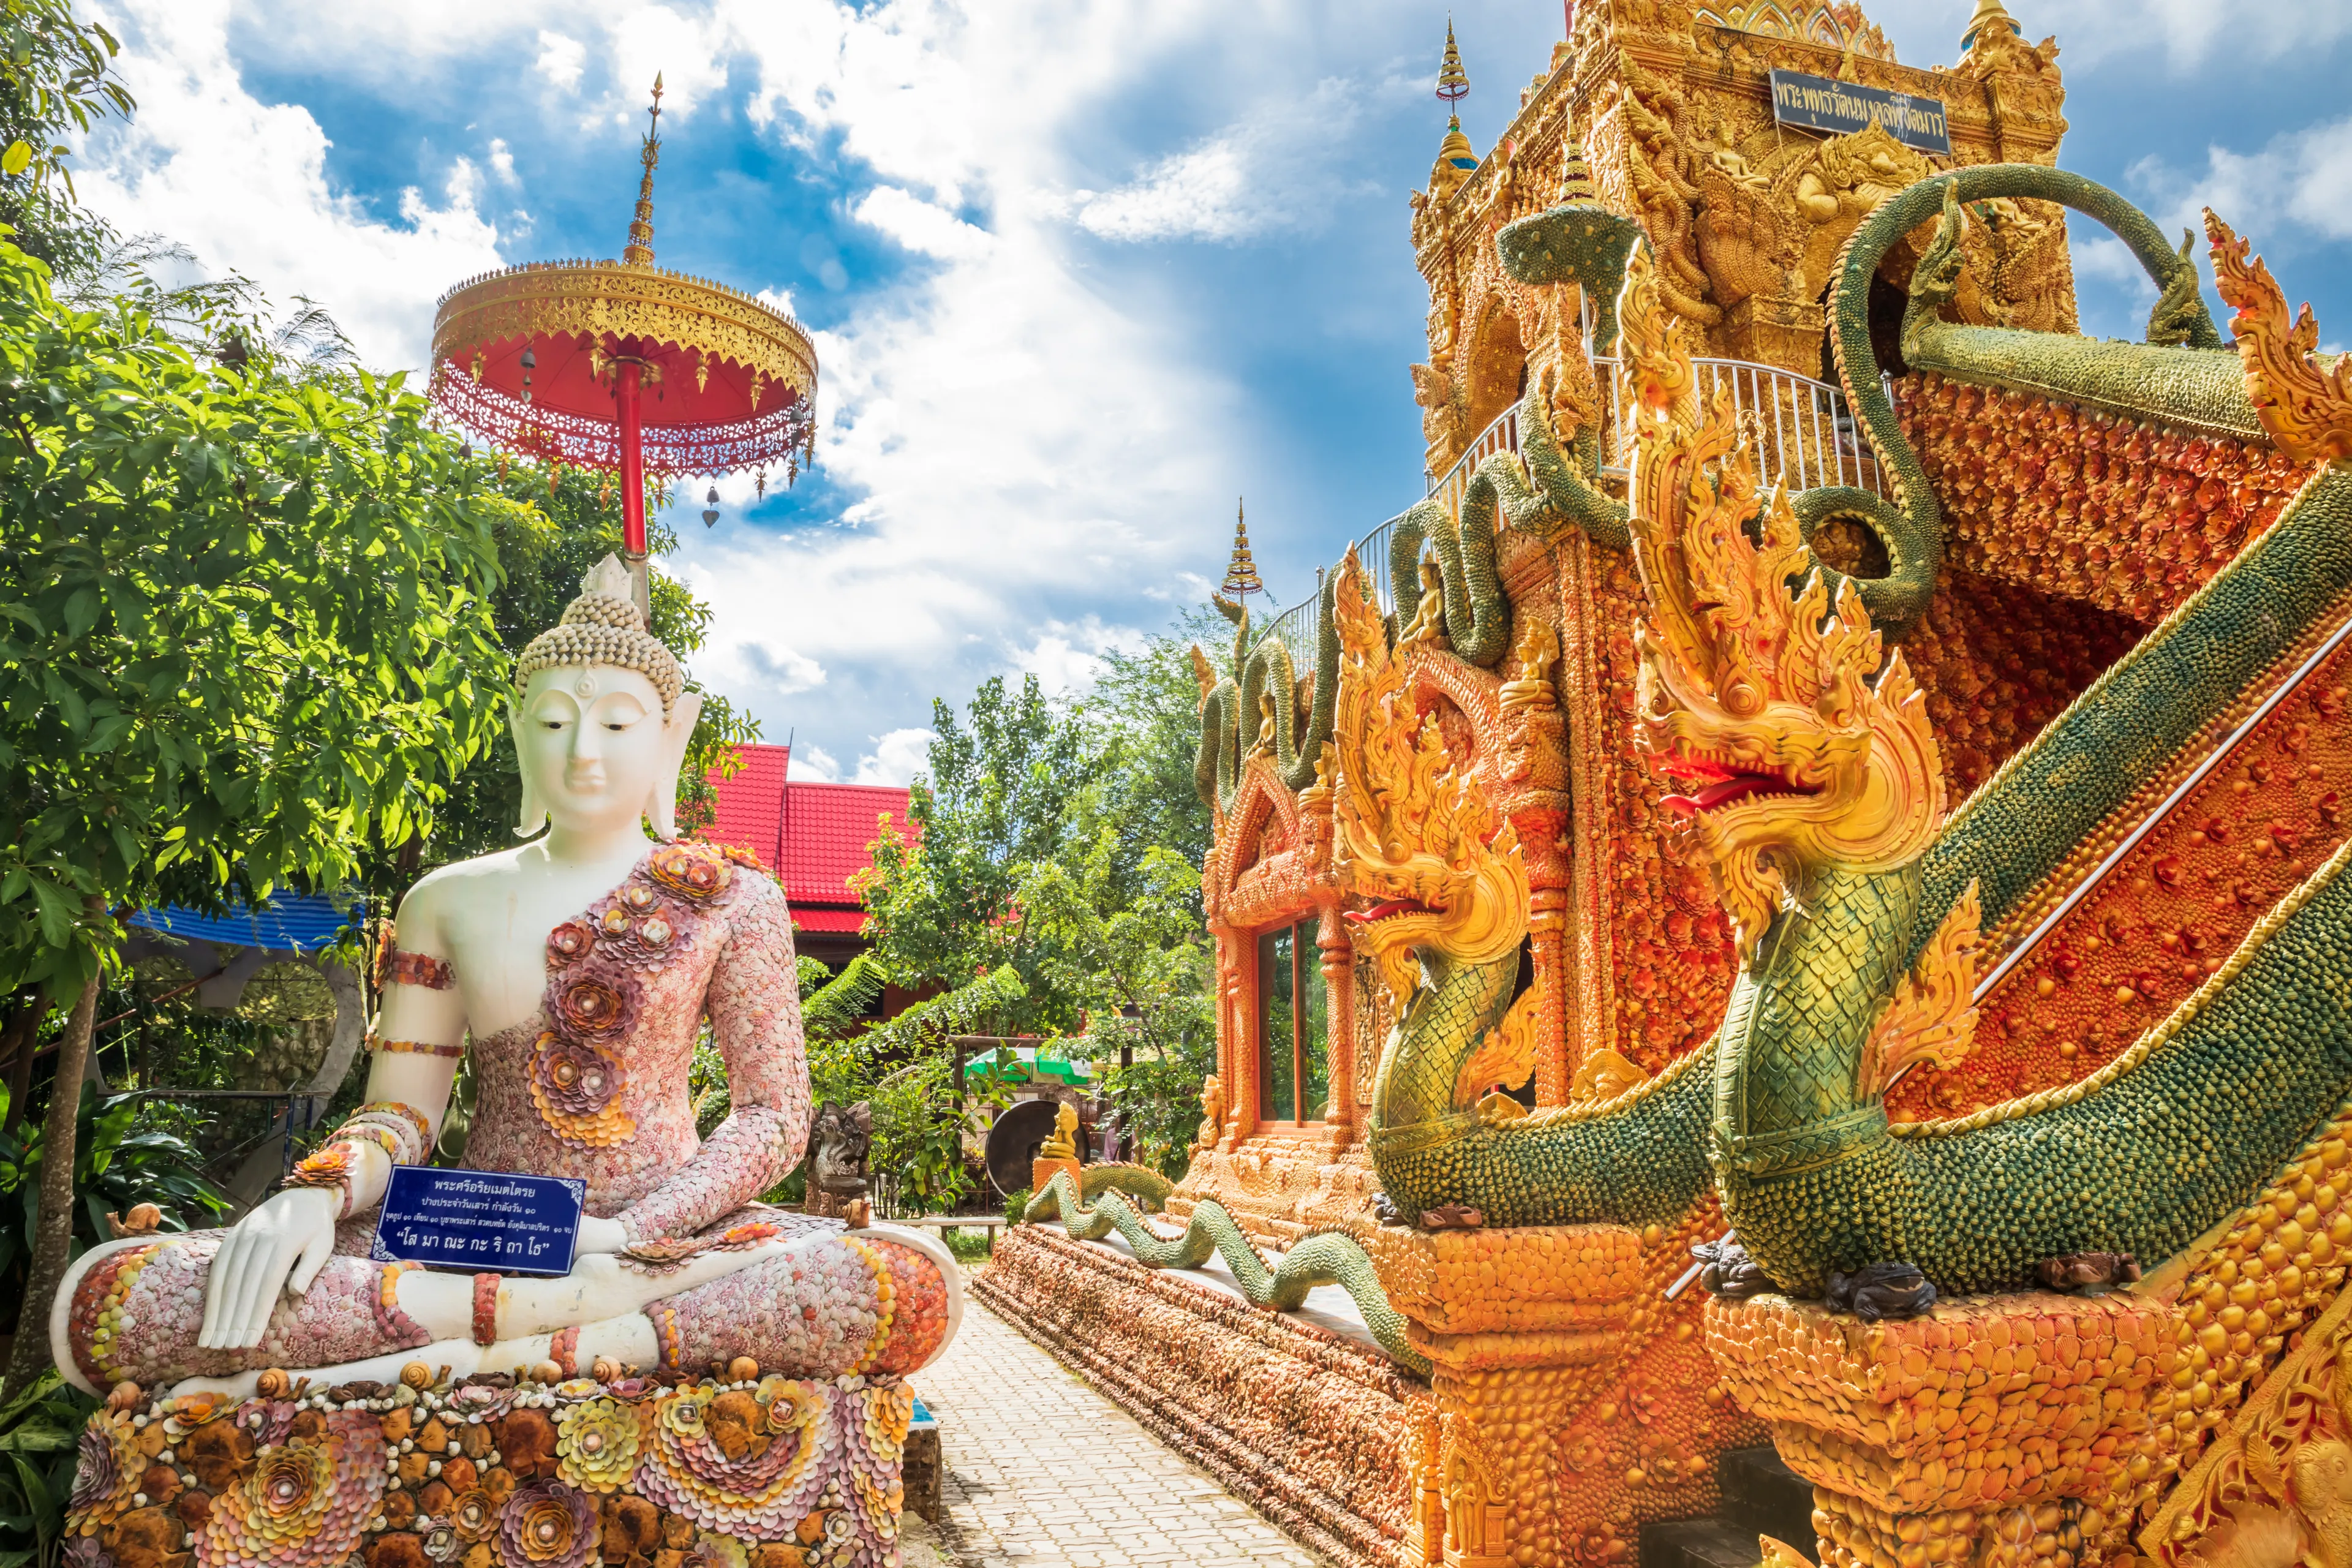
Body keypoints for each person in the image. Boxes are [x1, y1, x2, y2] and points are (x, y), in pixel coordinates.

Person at [53, 557, 958, 1398]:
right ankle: (577, 1332)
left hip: (666, 1242)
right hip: (470, 1232)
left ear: (670, 735)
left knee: (896, 1280)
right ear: (522, 734)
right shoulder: (446, 900)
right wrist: (315, 1196)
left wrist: (625, 1234)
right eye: (555, 723)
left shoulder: (731, 898)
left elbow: (773, 1118)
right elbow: (403, 1113)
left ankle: (473, 1341)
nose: (583, 752)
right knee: (135, 1296)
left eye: (616, 724)